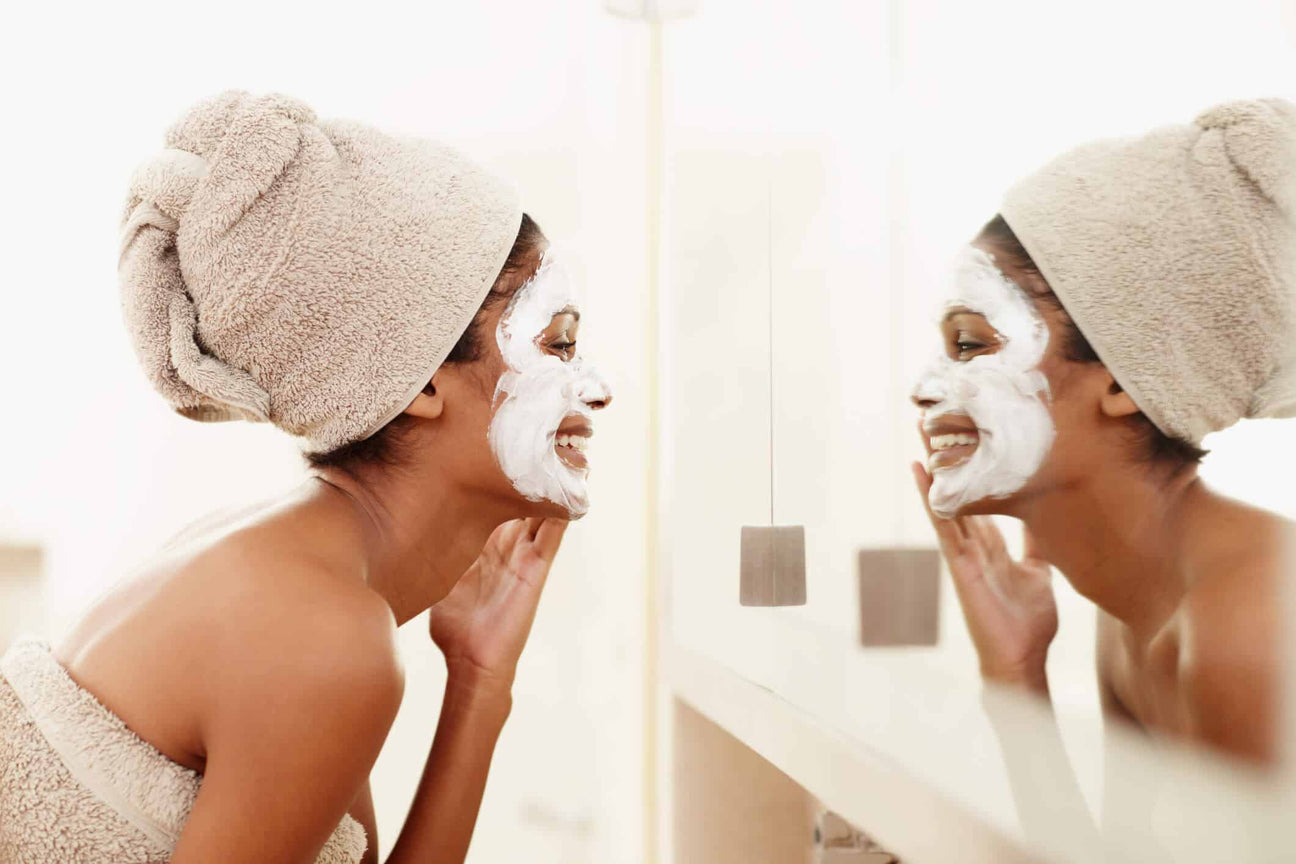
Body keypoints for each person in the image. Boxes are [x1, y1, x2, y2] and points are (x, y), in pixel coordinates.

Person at [0, 90, 610, 864]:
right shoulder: (317, 634)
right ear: (421, 383)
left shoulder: (307, 583)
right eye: (557, 345)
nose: (595, 388)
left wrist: (480, 675)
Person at [911, 98, 1296, 765]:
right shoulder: (1133, 612)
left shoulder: (1251, 626)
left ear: (1122, 380)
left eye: (970, 343)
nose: (924, 387)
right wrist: (1015, 677)